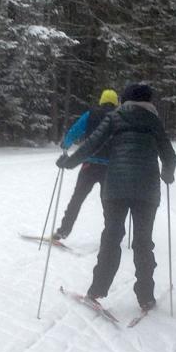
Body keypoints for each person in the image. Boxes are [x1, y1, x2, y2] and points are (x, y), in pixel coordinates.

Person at [56, 83, 176, 310]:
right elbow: (169, 155)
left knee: (111, 237)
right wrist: (167, 173)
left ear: (125, 100)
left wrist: (68, 162)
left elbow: (90, 145)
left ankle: (97, 290)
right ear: (149, 101)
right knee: (143, 242)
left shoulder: (116, 117)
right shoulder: (154, 121)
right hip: (146, 190)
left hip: (116, 189)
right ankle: (146, 297)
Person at [53, 89, 119, 241]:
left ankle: (63, 230)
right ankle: (112, 235)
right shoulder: (118, 117)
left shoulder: (91, 114)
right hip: (110, 167)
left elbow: (76, 130)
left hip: (90, 164)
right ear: (116, 103)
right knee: (108, 203)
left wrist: (66, 144)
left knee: (77, 198)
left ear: (101, 101)